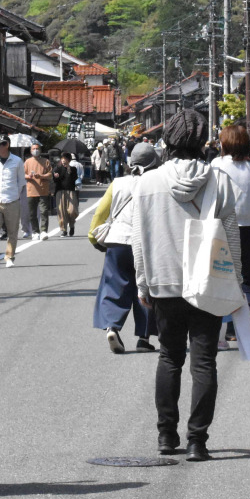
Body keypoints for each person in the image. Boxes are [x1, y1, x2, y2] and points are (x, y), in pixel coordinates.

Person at [132, 109, 241, 463]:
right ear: (201, 141)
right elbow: (232, 237)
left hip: (165, 281)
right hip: (208, 281)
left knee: (169, 357)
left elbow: (139, 239)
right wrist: (236, 284)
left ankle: (166, 435)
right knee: (204, 361)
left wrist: (143, 284)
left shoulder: (147, 182)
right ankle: (197, 441)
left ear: (168, 141)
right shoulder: (219, 181)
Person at [91, 142, 161, 353]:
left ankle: (112, 326)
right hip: (147, 242)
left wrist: (94, 238)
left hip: (118, 241)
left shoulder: (118, 183)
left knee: (113, 286)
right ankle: (144, 339)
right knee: (146, 289)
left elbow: (100, 213)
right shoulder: (157, 183)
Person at [212, 123, 250, 341]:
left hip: (225, 228)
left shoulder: (218, 165)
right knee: (248, 278)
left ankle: (232, 329)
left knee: (226, 278)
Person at [0, 136, 24, 267]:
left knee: (12, 230)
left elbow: (21, 182)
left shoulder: (17, 161)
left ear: (6, 145)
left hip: (12, 200)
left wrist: (14, 194)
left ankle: (9, 257)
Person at [24, 143, 55, 240]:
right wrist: (28, 176)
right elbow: (22, 174)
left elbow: (50, 175)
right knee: (32, 213)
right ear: (30, 151)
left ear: (40, 150)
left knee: (44, 211)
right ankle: (35, 232)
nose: (35, 150)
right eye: (33, 149)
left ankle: (44, 231)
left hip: (43, 190)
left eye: (37, 148)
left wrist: (40, 176)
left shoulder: (46, 161)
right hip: (31, 190)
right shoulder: (27, 162)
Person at [53, 152, 80, 237]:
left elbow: (74, 178)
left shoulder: (73, 169)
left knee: (72, 211)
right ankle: (64, 229)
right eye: (62, 159)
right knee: (61, 211)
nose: (63, 161)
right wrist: (55, 176)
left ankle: (72, 225)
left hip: (71, 191)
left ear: (69, 160)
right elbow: (54, 180)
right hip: (60, 192)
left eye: (65, 159)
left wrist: (69, 171)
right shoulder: (57, 168)